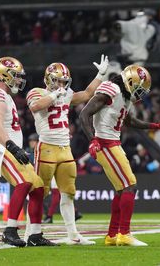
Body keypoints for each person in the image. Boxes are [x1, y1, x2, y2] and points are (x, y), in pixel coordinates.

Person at [79, 64, 160, 246]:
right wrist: (92, 140)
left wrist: (155, 126)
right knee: (130, 186)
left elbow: (129, 121)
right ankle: (124, 233)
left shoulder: (124, 96)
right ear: (129, 82)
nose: (140, 94)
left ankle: (112, 235)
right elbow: (84, 114)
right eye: (139, 89)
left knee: (122, 190)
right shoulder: (111, 89)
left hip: (112, 143)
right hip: (105, 144)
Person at [25, 55, 109, 245]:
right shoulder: (36, 92)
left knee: (68, 192)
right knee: (39, 192)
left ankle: (73, 235)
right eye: (58, 80)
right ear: (48, 79)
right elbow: (36, 106)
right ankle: (30, 233)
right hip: (46, 147)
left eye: (64, 81)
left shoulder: (67, 93)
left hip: (65, 149)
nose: (62, 84)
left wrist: (100, 75)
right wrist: (55, 95)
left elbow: (87, 94)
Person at [0, 57, 56, 247]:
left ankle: (35, 235)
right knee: (25, 182)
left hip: (9, 150)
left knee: (38, 187)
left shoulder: (6, 97)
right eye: (15, 76)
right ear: (4, 75)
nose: (18, 80)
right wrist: (12, 147)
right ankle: (10, 230)